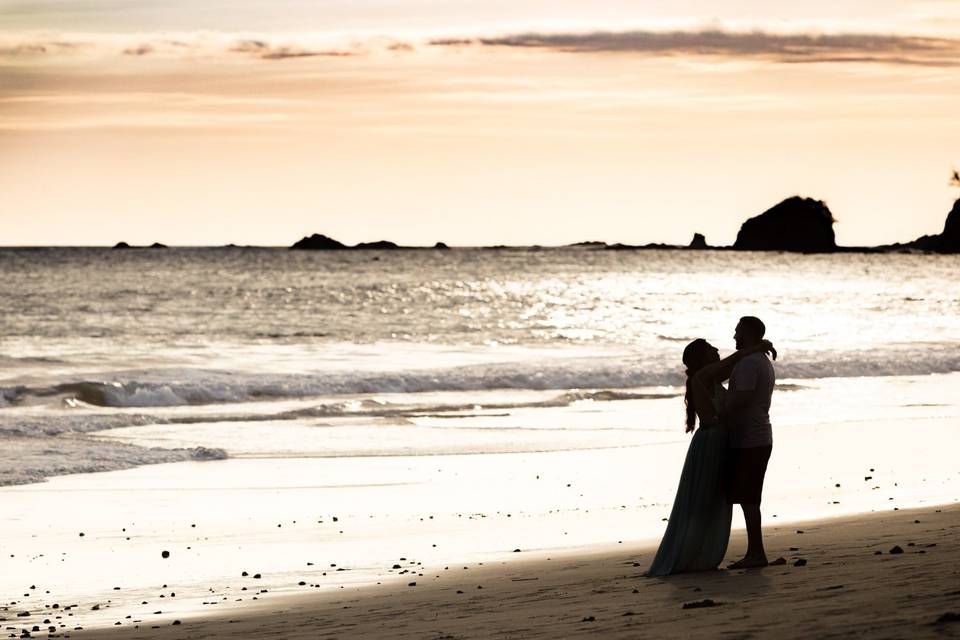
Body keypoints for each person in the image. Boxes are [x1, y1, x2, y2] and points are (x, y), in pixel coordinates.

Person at [645, 336, 775, 577]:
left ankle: (702, 553)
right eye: (710, 349)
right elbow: (733, 362)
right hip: (711, 442)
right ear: (702, 357)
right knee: (702, 500)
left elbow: (735, 371)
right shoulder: (701, 378)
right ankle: (690, 553)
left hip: (719, 441)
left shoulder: (710, 379)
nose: (716, 350)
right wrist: (754, 347)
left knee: (713, 500)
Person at [723, 316, 776, 570]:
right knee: (749, 497)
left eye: (737, 332)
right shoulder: (761, 361)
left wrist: (718, 413)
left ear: (748, 334)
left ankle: (757, 552)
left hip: (750, 439)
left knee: (750, 498)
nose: (734, 337)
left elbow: (742, 398)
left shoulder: (748, 364)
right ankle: (755, 551)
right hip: (758, 436)